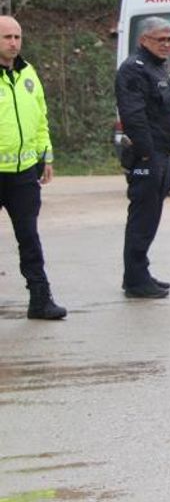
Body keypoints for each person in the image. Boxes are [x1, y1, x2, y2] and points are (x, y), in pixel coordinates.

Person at [114, 16, 170, 299]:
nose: (166, 44)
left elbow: (166, 105)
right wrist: (147, 156)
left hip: (163, 153)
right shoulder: (134, 69)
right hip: (147, 155)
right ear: (144, 40)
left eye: (169, 40)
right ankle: (135, 280)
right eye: (160, 39)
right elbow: (134, 117)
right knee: (142, 218)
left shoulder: (159, 69)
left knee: (151, 217)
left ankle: (139, 272)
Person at [0, 16, 65, 320]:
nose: (13, 43)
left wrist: (45, 157)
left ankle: (40, 299)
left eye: (17, 37)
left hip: (24, 173)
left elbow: (41, 119)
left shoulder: (28, 73)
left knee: (29, 238)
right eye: (7, 37)